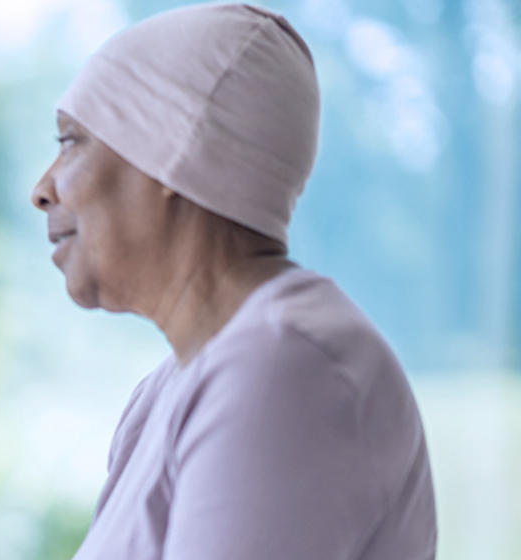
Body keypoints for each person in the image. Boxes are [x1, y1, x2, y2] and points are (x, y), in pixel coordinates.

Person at [29, 4, 436, 558]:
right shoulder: (166, 393)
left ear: (172, 147)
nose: (42, 189)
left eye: (71, 141)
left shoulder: (281, 363)